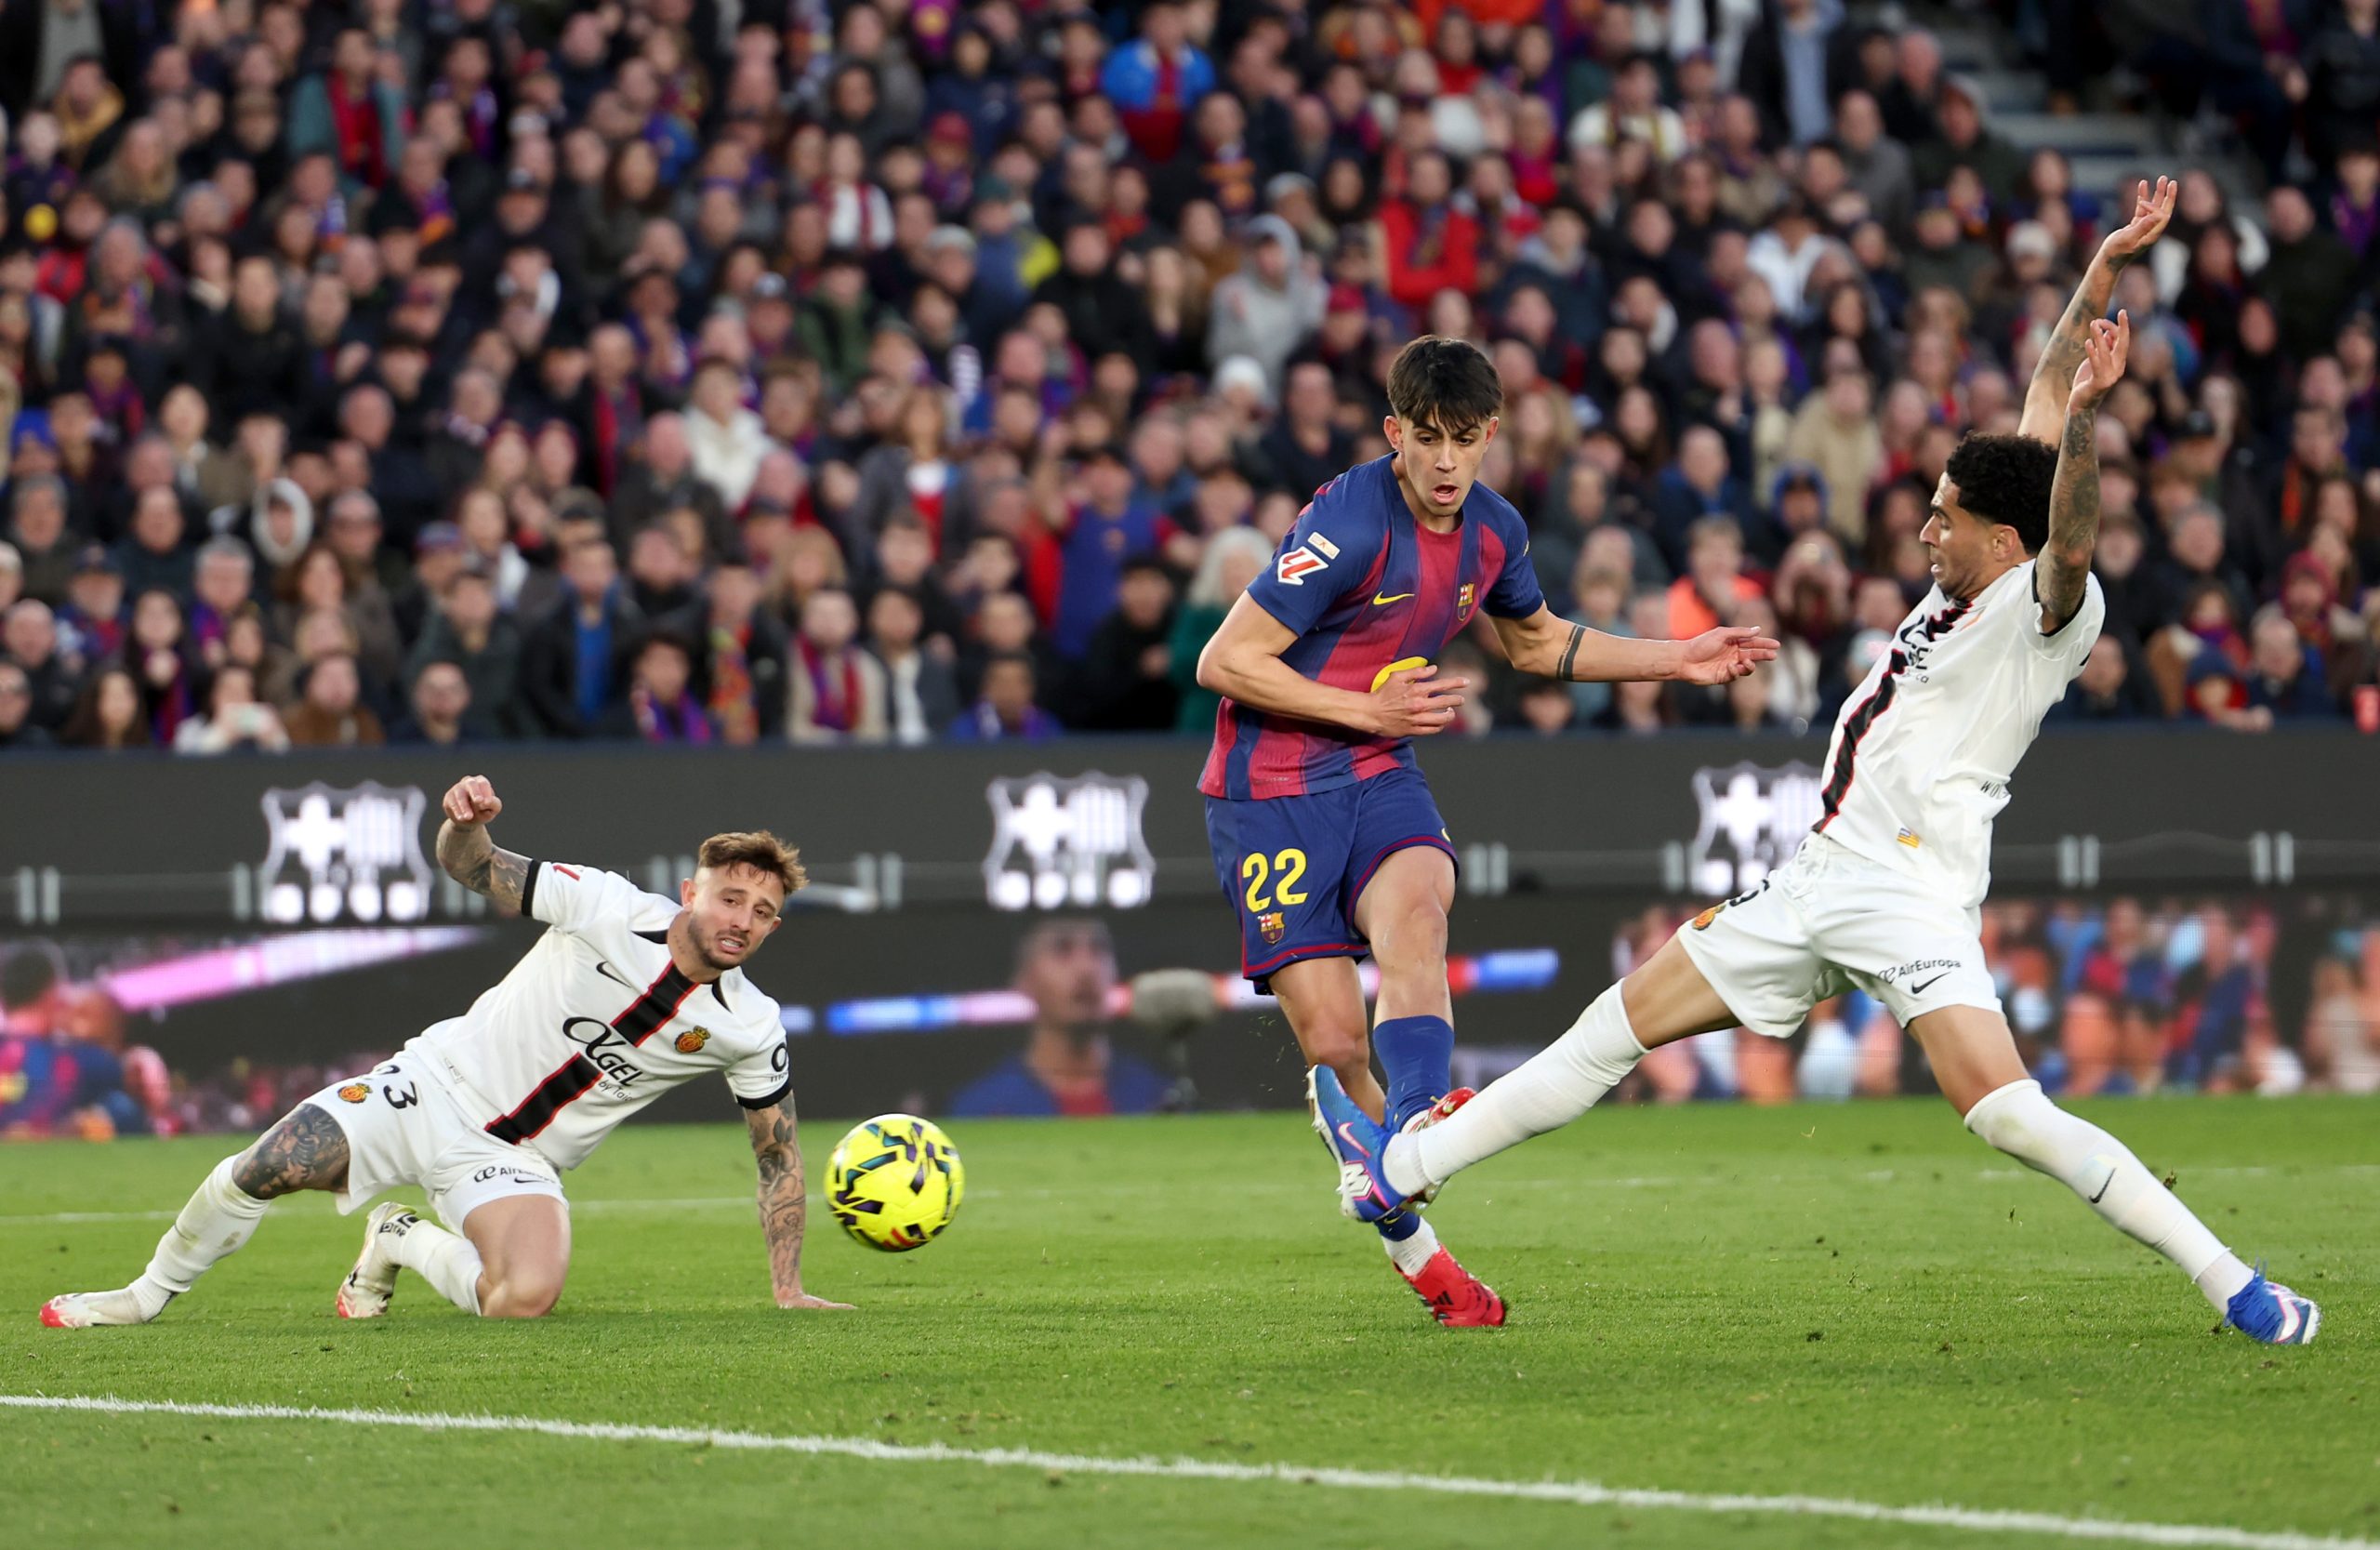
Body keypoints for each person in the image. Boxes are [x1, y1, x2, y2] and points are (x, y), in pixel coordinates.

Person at [1313, 183, 2322, 1347]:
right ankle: (1404, 1167)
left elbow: (2073, 525)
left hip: (1909, 891)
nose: (1926, 528)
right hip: (1816, 878)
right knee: (1610, 1029)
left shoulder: (2046, 609)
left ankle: (2234, 1284)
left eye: (1945, 515)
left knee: (2006, 1114)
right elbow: (2047, 389)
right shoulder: (1970, 578)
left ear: (2002, 534)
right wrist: (2100, 265)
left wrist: (2090, 424)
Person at [1194, 336, 1775, 1326]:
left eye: (1465, 440)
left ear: (1491, 436)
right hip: (1270, 788)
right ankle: (1423, 1257)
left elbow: (1536, 640)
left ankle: (1418, 1128)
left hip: (1379, 769)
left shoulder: (1493, 531)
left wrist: (1678, 659)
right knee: (1335, 1044)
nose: (1447, 461)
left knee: (1419, 912)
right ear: (1395, 435)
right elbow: (1225, 658)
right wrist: (1366, 710)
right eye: (1427, 440)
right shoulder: (1346, 519)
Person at [41, 775, 848, 1326]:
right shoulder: (601, 903)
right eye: (731, 896)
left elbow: (776, 1158)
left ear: (776, 925)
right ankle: (143, 1295)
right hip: (432, 1086)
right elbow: (474, 869)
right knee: (267, 1164)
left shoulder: (752, 1026)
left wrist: (789, 1289)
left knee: (524, 1298)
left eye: (764, 910)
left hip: (516, 1162)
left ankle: (401, 1237)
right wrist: (466, 825)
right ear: (691, 892)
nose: (743, 918)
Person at [945, 919, 1169, 1118]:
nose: (1087, 968)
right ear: (1024, 979)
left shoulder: (1158, 1100)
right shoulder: (984, 1110)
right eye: (1062, 949)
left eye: (1099, 949)